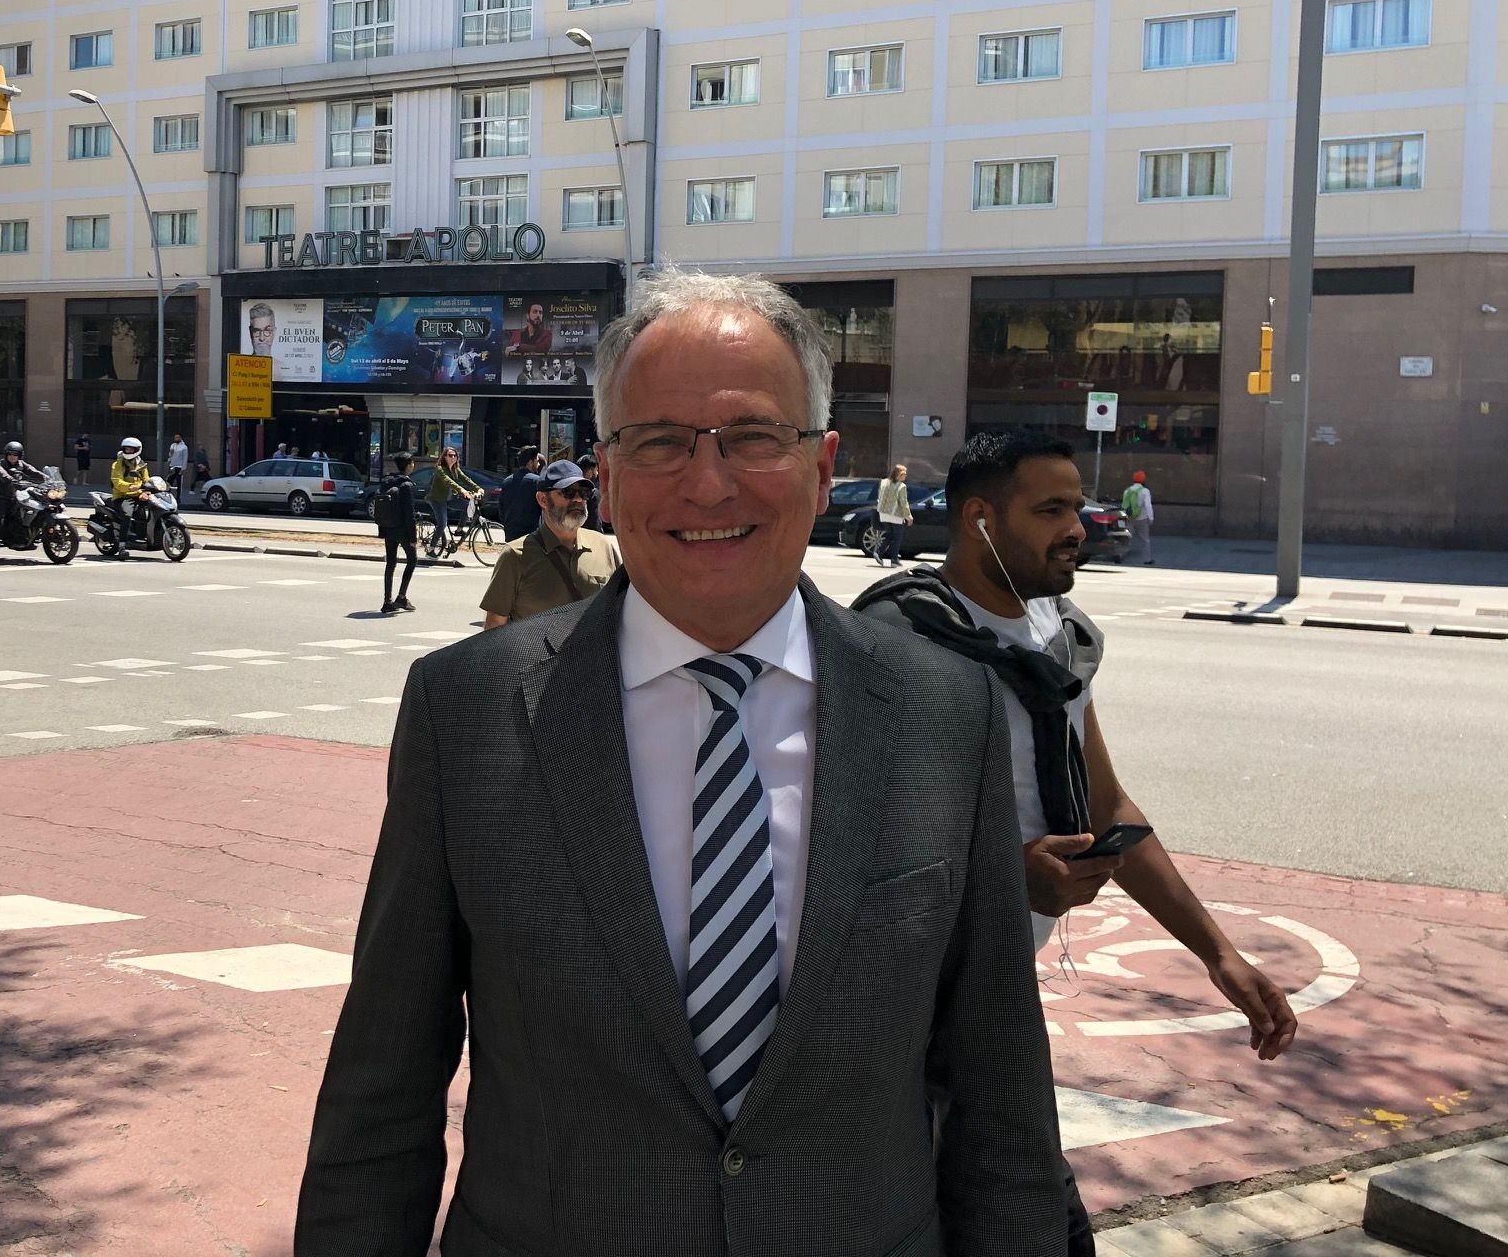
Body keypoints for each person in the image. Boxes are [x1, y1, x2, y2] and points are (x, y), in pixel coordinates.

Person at [297, 270, 1066, 1255]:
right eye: (658, 441)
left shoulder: (940, 712)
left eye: (753, 437)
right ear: (607, 477)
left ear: (823, 467)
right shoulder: (467, 714)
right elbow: (382, 1095)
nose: (708, 483)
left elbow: (999, 1092)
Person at [854, 429, 1297, 1257]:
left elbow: (1108, 805)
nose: (1077, 528)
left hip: (997, 990)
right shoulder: (896, 641)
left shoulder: (1060, 641)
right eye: (1050, 508)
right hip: (899, 1008)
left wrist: (1219, 955)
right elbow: (847, 836)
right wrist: (1006, 880)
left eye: (1076, 506)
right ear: (980, 518)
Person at [478, 459, 619, 628]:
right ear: (542, 499)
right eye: (568, 492)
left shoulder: (603, 547)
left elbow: (621, 611)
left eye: (584, 492)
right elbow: (494, 628)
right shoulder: (515, 555)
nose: (578, 499)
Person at [374, 451, 419, 615]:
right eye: (412, 463)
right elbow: (409, 513)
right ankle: (401, 596)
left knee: (390, 563)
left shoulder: (386, 482)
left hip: (388, 528)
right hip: (403, 530)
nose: (413, 465)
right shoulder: (406, 485)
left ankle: (387, 601)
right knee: (412, 560)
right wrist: (413, 537)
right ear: (408, 465)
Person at [425, 446, 483, 555]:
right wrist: (462, 490)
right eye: (450, 455)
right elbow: (449, 482)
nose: (453, 457)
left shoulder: (455, 469)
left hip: (450, 498)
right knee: (442, 523)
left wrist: (478, 488)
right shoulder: (440, 469)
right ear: (444, 457)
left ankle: (459, 530)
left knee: (467, 506)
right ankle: (431, 548)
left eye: (455, 455)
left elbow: (466, 479)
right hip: (437, 499)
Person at [0, 440, 47, 543]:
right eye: (10, 454)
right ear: (6, 454)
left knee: (22, 516)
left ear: (20, 455)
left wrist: (46, 477)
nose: (12, 456)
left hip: (14, 497)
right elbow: (2, 474)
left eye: (15, 454)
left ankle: (25, 538)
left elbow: (33, 471)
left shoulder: (21, 464)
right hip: (0, 497)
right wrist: (10, 479)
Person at [497, 444, 543, 541]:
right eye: (537, 461)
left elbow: (501, 508)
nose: (539, 464)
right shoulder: (537, 481)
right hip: (531, 535)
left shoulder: (507, 481)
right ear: (531, 462)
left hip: (511, 534)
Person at [111, 436, 152, 540]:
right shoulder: (118, 464)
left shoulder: (142, 464)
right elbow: (117, 481)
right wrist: (129, 487)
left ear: (137, 450)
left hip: (139, 495)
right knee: (127, 514)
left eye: (131, 449)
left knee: (152, 510)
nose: (128, 451)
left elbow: (147, 480)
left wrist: (146, 492)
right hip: (123, 496)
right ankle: (122, 545)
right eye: (126, 449)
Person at [875, 461, 912, 567]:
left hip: (883, 513)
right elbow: (904, 503)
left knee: (889, 535)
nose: (905, 476)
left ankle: (878, 552)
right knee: (897, 537)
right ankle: (894, 559)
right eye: (903, 474)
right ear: (898, 475)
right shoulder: (902, 486)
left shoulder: (884, 482)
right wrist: (908, 517)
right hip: (895, 514)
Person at [1121, 469, 1155, 565]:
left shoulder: (1127, 491)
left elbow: (1124, 505)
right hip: (1142, 518)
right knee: (1145, 540)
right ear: (1143, 480)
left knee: (1126, 537)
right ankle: (1147, 559)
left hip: (1129, 517)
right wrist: (1151, 518)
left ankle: (1120, 556)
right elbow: (1148, 505)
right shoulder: (1145, 491)